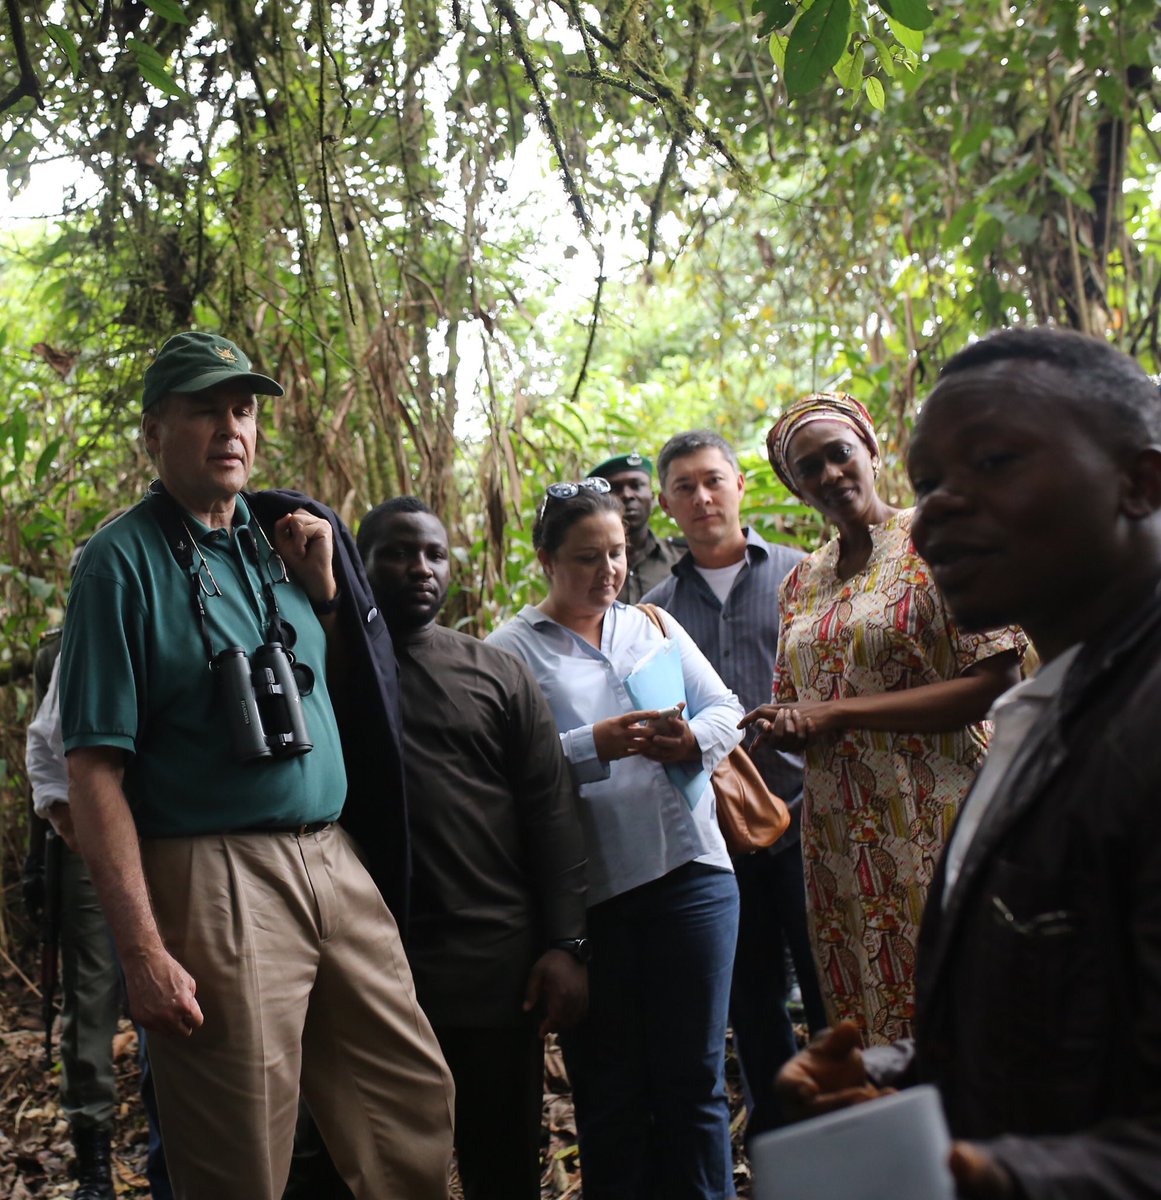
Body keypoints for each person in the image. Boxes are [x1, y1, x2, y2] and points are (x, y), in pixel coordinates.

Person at [58, 331, 454, 1200]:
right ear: (154, 431)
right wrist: (142, 952)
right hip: (213, 873)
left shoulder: (282, 539)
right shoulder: (119, 564)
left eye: (241, 410)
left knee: (408, 1105)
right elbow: (92, 772)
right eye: (204, 410)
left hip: (331, 856)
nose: (230, 428)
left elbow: (345, 699)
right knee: (237, 1146)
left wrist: (326, 597)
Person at [776, 327, 1161, 1199]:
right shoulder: (1046, 715)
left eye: (991, 463)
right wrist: (901, 1071)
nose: (940, 508)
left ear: (1140, 483)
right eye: (930, 484)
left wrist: (1004, 1177)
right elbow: (1065, 1010)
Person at [487, 477, 744, 1200]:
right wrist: (588, 746)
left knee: (693, 1082)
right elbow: (500, 774)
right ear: (545, 560)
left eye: (617, 553)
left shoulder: (651, 625)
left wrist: (691, 739)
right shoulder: (509, 652)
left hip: (693, 874)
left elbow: (725, 707)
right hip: (593, 900)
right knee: (613, 1092)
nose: (608, 571)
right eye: (586, 557)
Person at [744, 393, 1024, 1044]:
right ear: (795, 486)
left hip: (940, 810)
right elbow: (803, 703)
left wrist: (836, 712)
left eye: (839, 453)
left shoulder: (936, 538)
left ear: (870, 451)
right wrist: (785, 724)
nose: (829, 474)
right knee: (869, 1005)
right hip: (841, 834)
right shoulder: (799, 583)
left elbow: (994, 683)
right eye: (808, 468)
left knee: (961, 997)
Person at [357, 496, 589, 1200]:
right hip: (370, 972)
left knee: (502, 1160)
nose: (420, 568)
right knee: (379, 1168)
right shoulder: (328, 673)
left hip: (493, 965)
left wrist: (566, 944)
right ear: (360, 565)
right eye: (398, 553)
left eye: (434, 553)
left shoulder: (494, 672)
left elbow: (550, 811)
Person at [641, 429, 826, 1141]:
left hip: (813, 819)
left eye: (713, 480)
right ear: (666, 504)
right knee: (751, 1004)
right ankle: (784, 1151)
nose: (702, 497)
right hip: (718, 838)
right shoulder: (654, 610)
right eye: (684, 487)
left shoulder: (802, 576)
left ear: (740, 484)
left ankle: (860, 1142)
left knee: (830, 989)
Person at [587, 451, 681, 603]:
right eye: (616, 488)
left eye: (636, 486)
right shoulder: (585, 567)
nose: (627, 495)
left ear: (652, 496)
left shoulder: (680, 561)